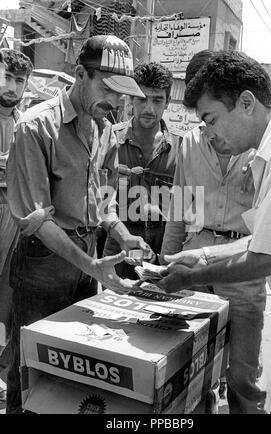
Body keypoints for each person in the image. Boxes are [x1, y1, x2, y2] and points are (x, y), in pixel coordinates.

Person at [6, 35, 151, 414]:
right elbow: (36, 219)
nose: (117, 101)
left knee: (74, 370)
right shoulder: (36, 128)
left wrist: (122, 234)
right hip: (43, 264)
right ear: (79, 74)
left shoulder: (105, 130)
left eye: (123, 93)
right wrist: (89, 264)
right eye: (108, 88)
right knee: (31, 367)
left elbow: (104, 201)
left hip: (87, 262)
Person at [158, 50, 271, 414]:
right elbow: (267, 238)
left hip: (263, 285)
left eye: (213, 118)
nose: (210, 130)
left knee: (243, 378)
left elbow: (267, 255)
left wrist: (197, 271)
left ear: (247, 102)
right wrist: (200, 254)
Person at [103, 61, 181, 279]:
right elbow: (98, 201)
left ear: (168, 102)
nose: (149, 108)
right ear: (130, 99)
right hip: (119, 246)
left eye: (157, 100)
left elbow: (189, 209)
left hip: (164, 250)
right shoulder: (109, 139)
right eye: (142, 98)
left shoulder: (182, 148)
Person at [0, 48, 33, 408]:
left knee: (7, 303)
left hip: (14, 222)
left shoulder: (26, 122)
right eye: (6, 77)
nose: (11, 86)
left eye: (18, 80)